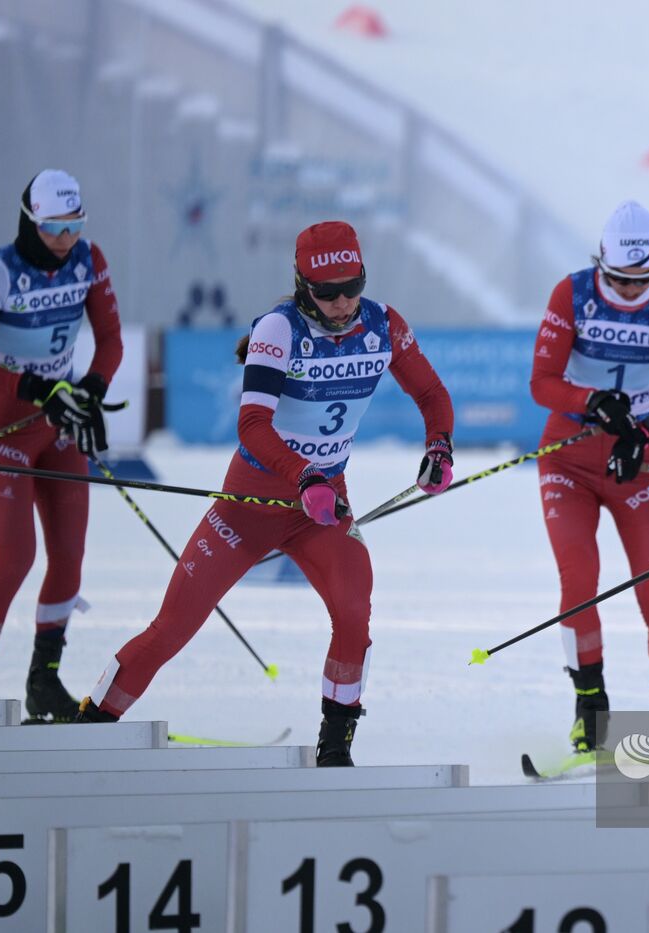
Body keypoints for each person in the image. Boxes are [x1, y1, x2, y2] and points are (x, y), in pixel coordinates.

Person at [75, 221, 454, 767]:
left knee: (353, 613)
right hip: (254, 503)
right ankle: (89, 725)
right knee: (173, 628)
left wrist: (439, 447)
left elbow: (432, 392)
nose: (344, 302)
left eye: (354, 286)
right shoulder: (279, 330)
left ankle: (336, 743)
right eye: (328, 292)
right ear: (303, 286)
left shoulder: (384, 325)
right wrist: (304, 476)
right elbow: (253, 424)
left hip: (322, 505)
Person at [530, 200, 649, 756]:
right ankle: (591, 710)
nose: (631, 293)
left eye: (642, 282)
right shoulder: (573, 293)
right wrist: (592, 402)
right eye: (618, 281)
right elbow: (542, 382)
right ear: (600, 264)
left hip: (640, 459)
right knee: (580, 578)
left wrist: (647, 430)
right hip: (569, 458)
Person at [0, 169, 122, 722]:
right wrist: (39, 389)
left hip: (61, 421)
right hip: (9, 424)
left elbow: (111, 341)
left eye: (74, 226)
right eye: (52, 228)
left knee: (69, 558)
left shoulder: (89, 260)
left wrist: (90, 392)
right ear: (30, 221)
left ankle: (44, 679)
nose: (64, 240)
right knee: (15, 559)